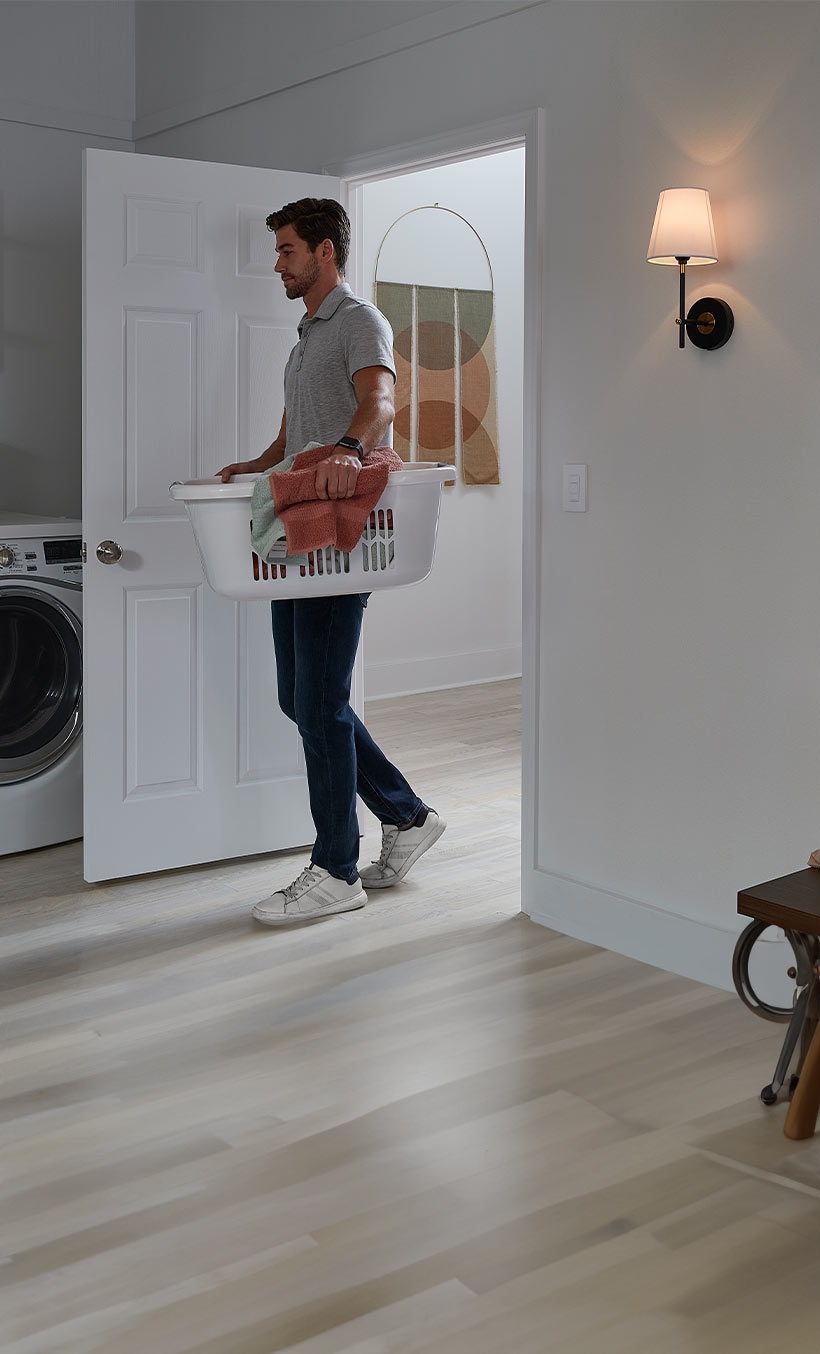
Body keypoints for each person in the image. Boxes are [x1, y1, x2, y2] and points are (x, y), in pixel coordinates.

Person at [219, 198, 445, 926]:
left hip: (338, 536)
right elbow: (297, 425)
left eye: (286, 250)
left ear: (325, 251)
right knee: (302, 699)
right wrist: (258, 464)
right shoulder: (305, 337)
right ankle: (407, 818)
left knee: (317, 700)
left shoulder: (357, 321)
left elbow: (378, 399)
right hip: (299, 530)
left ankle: (335, 868)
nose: (277, 264)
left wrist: (349, 451)